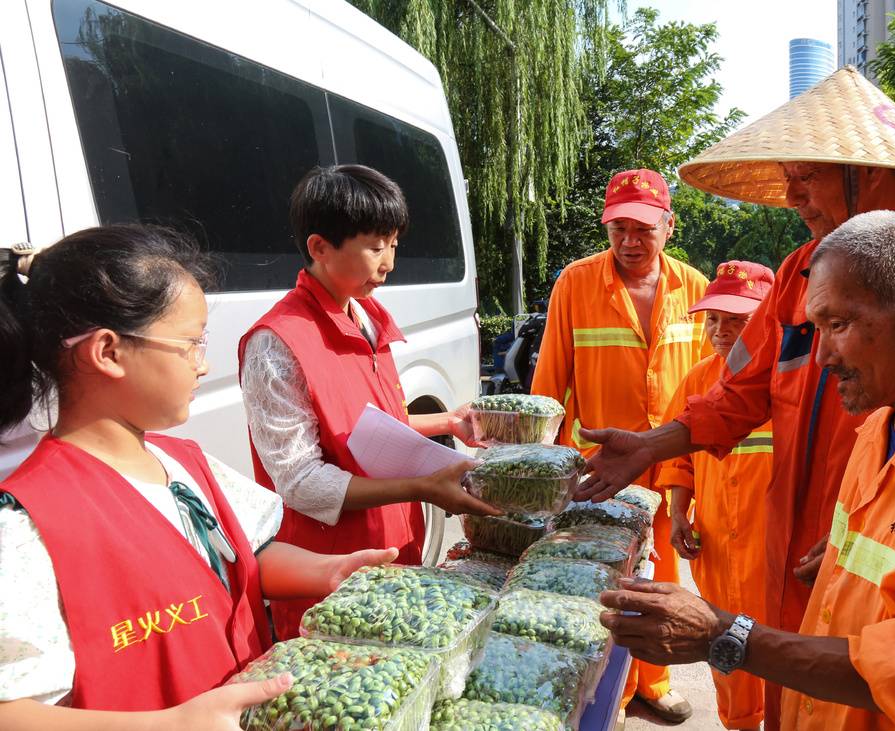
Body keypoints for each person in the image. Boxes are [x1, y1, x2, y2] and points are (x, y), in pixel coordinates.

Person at [575, 68, 895, 728]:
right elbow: (739, 391)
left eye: (805, 174)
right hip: (798, 556)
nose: (790, 192)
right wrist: (652, 445)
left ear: (871, 171)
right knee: (795, 702)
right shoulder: (800, 270)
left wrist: (871, 538)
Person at [599, 211, 895, 730]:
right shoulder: (880, 428)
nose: (821, 356)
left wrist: (724, 634)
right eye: (815, 328)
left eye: (839, 325)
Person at [0, 225, 400, 728]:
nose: (203, 364)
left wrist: (329, 572)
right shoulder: (27, 525)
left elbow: (245, 555)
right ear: (108, 352)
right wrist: (167, 724)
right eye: (189, 344)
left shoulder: (186, 462)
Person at [239, 164, 498, 641]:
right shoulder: (276, 343)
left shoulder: (367, 316)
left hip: (395, 539)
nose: (389, 263)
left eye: (394, 244)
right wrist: (420, 487)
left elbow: (373, 426)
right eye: (376, 247)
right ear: (319, 248)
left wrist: (448, 421)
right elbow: (300, 483)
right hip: (331, 565)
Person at [531, 168, 709, 722]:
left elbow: (717, 382)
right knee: (599, 578)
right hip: (601, 470)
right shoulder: (577, 283)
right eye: (619, 229)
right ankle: (600, 685)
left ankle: (651, 681)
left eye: (644, 229)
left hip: (671, 464)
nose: (630, 242)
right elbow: (550, 380)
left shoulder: (697, 289)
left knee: (662, 580)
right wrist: (545, 466)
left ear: (669, 227)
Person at [659, 260, 775, 731]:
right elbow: (679, 457)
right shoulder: (697, 380)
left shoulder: (792, 387)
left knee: (776, 650)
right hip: (717, 550)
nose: (721, 331)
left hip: (772, 551)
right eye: (714, 319)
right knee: (724, 646)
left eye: (737, 320)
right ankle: (738, 723)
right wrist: (678, 510)